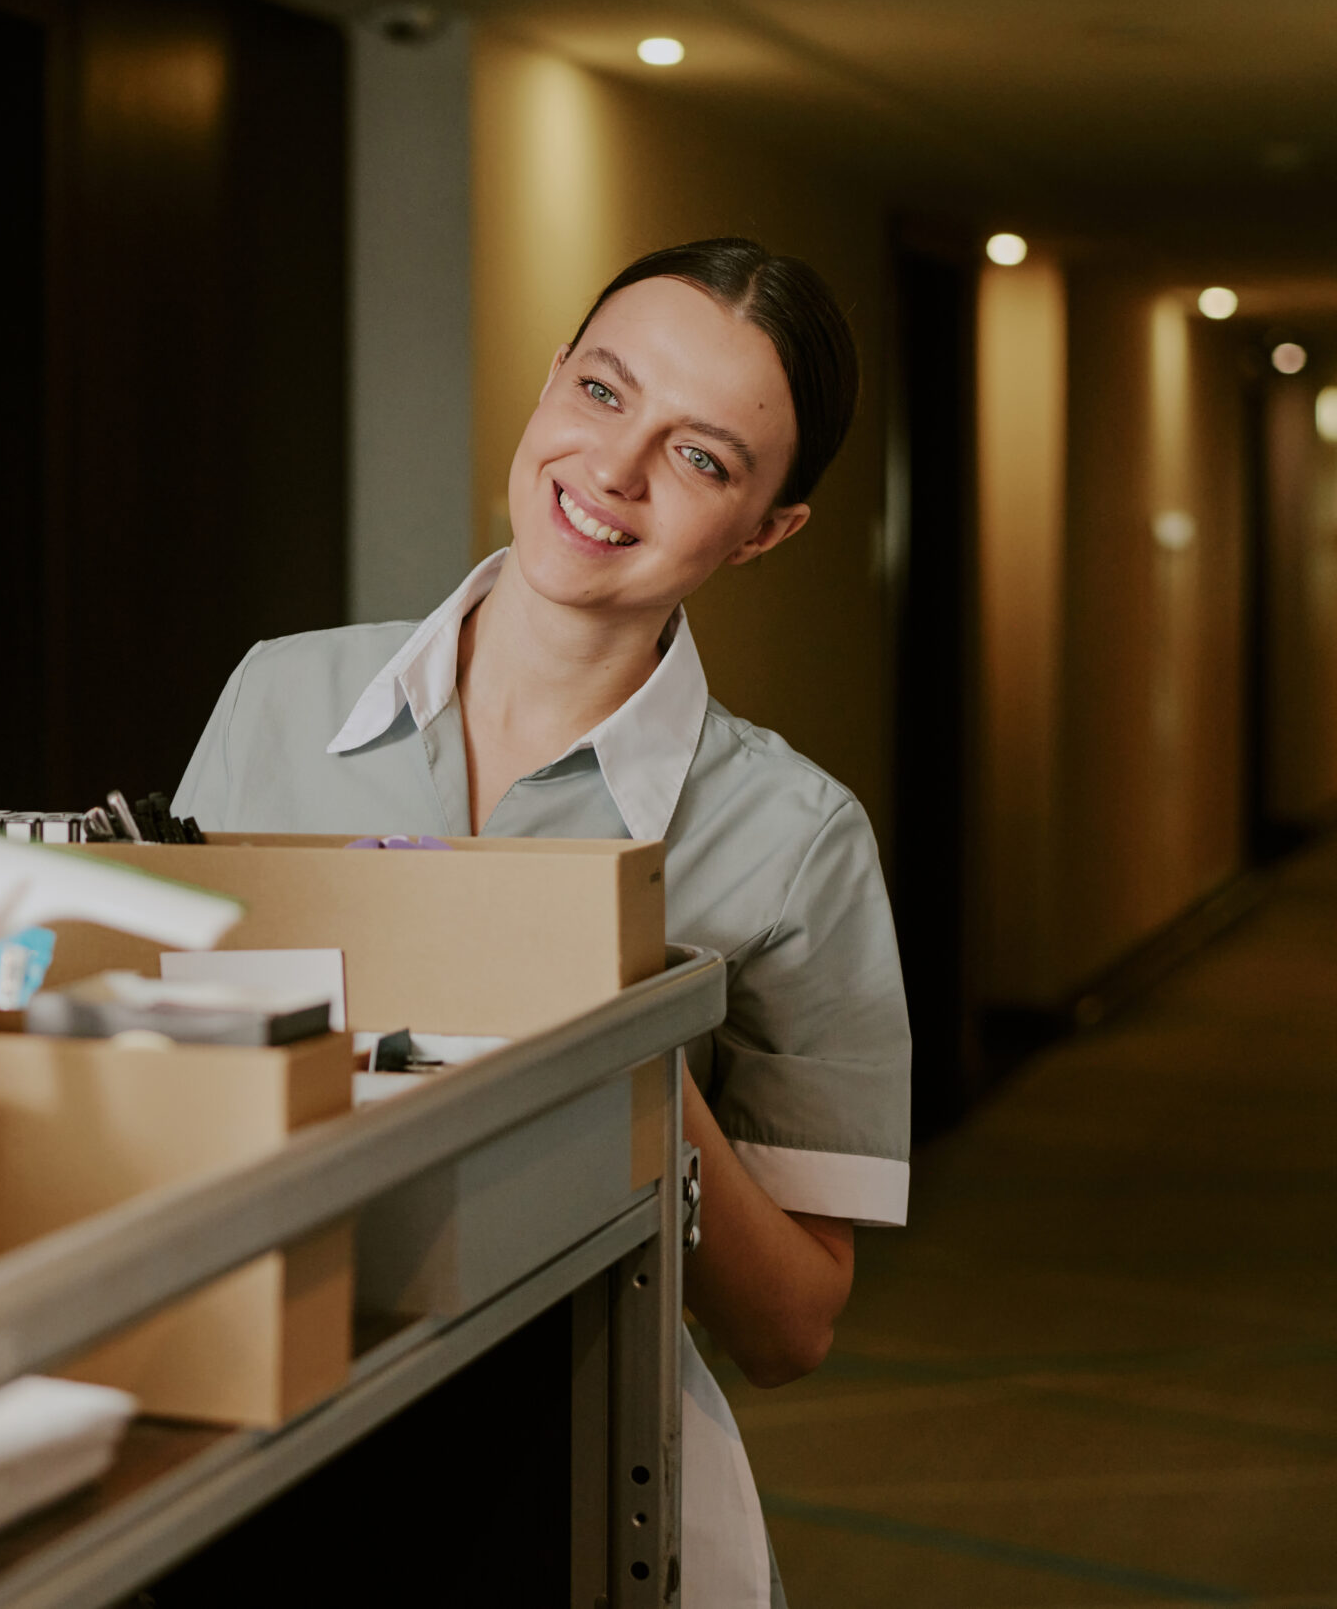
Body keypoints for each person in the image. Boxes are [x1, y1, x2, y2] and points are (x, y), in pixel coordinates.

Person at [171, 237, 910, 1608]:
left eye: (702, 459)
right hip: (247, 1445)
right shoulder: (280, 698)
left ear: (765, 531)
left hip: (577, 1481)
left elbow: (793, 1326)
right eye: (604, 391)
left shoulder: (796, 837)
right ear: (548, 384)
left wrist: (633, 1047)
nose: (616, 471)